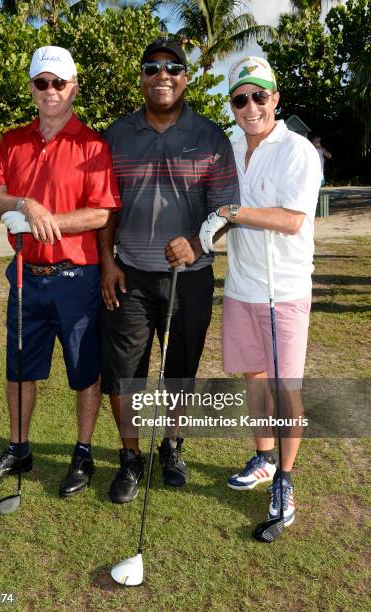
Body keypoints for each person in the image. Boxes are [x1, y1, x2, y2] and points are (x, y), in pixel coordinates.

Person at [0, 46, 121, 497]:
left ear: (73, 86)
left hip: (76, 279)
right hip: (25, 275)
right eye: (42, 83)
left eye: (59, 83)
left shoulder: (92, 144)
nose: (50, 91)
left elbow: (100, 214)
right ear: (33, 88)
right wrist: (24, 204)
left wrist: (45, 220)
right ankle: (19, 448)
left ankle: (82, 451)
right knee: (20, 369)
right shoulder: (12, 140)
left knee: (84, 372)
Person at [98, 38, 240, 504]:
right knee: (126, 375)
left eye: (173, 68)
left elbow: (225, 210)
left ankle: (173, 445)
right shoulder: (116, 136)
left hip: (190, 277)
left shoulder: (211, 137)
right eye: (152, 67)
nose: (163, 75)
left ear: (186, 77)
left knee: (180, 371)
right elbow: (105, 209)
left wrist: (198, 241)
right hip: (131, 275)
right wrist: (107, 262)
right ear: (141, 77)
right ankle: (130, 457)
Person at [200, 56, 321, 527]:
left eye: (259, 96)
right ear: (232, 105)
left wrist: (233, 212)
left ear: (275, 98)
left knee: (285, 388)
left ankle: (284, 481)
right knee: (254, 378)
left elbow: (292, 220)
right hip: (242, 287)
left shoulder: (297, 151)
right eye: (240, 99)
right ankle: (265, 456)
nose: (250, 106)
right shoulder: (229, 147)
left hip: (285, 290)